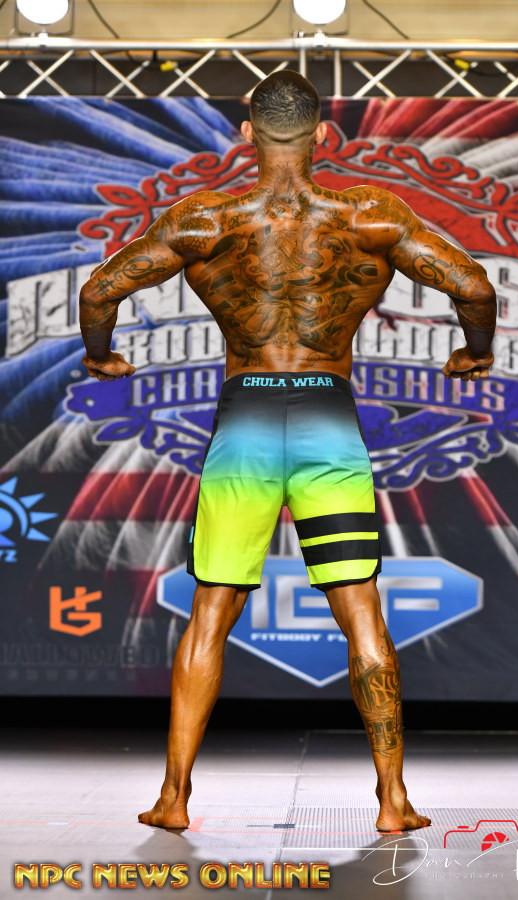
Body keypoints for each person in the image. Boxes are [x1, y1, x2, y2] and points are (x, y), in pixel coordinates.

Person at [79, 70, 496, 833]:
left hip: (244, 423)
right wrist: (474, 353)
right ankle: (393, 801)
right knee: (361, 609)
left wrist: (102, 356)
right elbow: (472, 286)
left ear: (246, 132)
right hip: (325, 423)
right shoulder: (370, 215)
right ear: (322, 135)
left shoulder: (205, 219)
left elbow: (99, 292)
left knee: (211, 612)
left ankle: (174, 798)